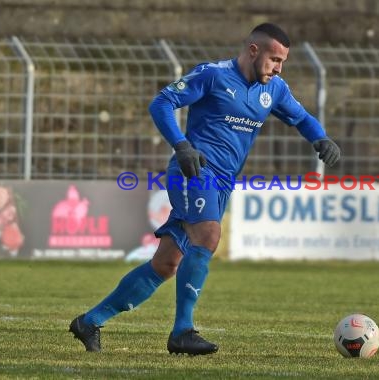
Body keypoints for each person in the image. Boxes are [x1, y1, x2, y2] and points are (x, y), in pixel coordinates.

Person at [69, 22, 340, 355]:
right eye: (274, 59)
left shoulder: (276, 89)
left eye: (283, 61)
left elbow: (301, 118)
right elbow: (162, 103)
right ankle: (182, 332)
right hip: (193, 170)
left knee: (166, 264)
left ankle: (90, 321)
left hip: (224, 182)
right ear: (253, 51)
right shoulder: (213, 75)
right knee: (209, 234)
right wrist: (182, 146)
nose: (278, 68)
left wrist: (321, 138)